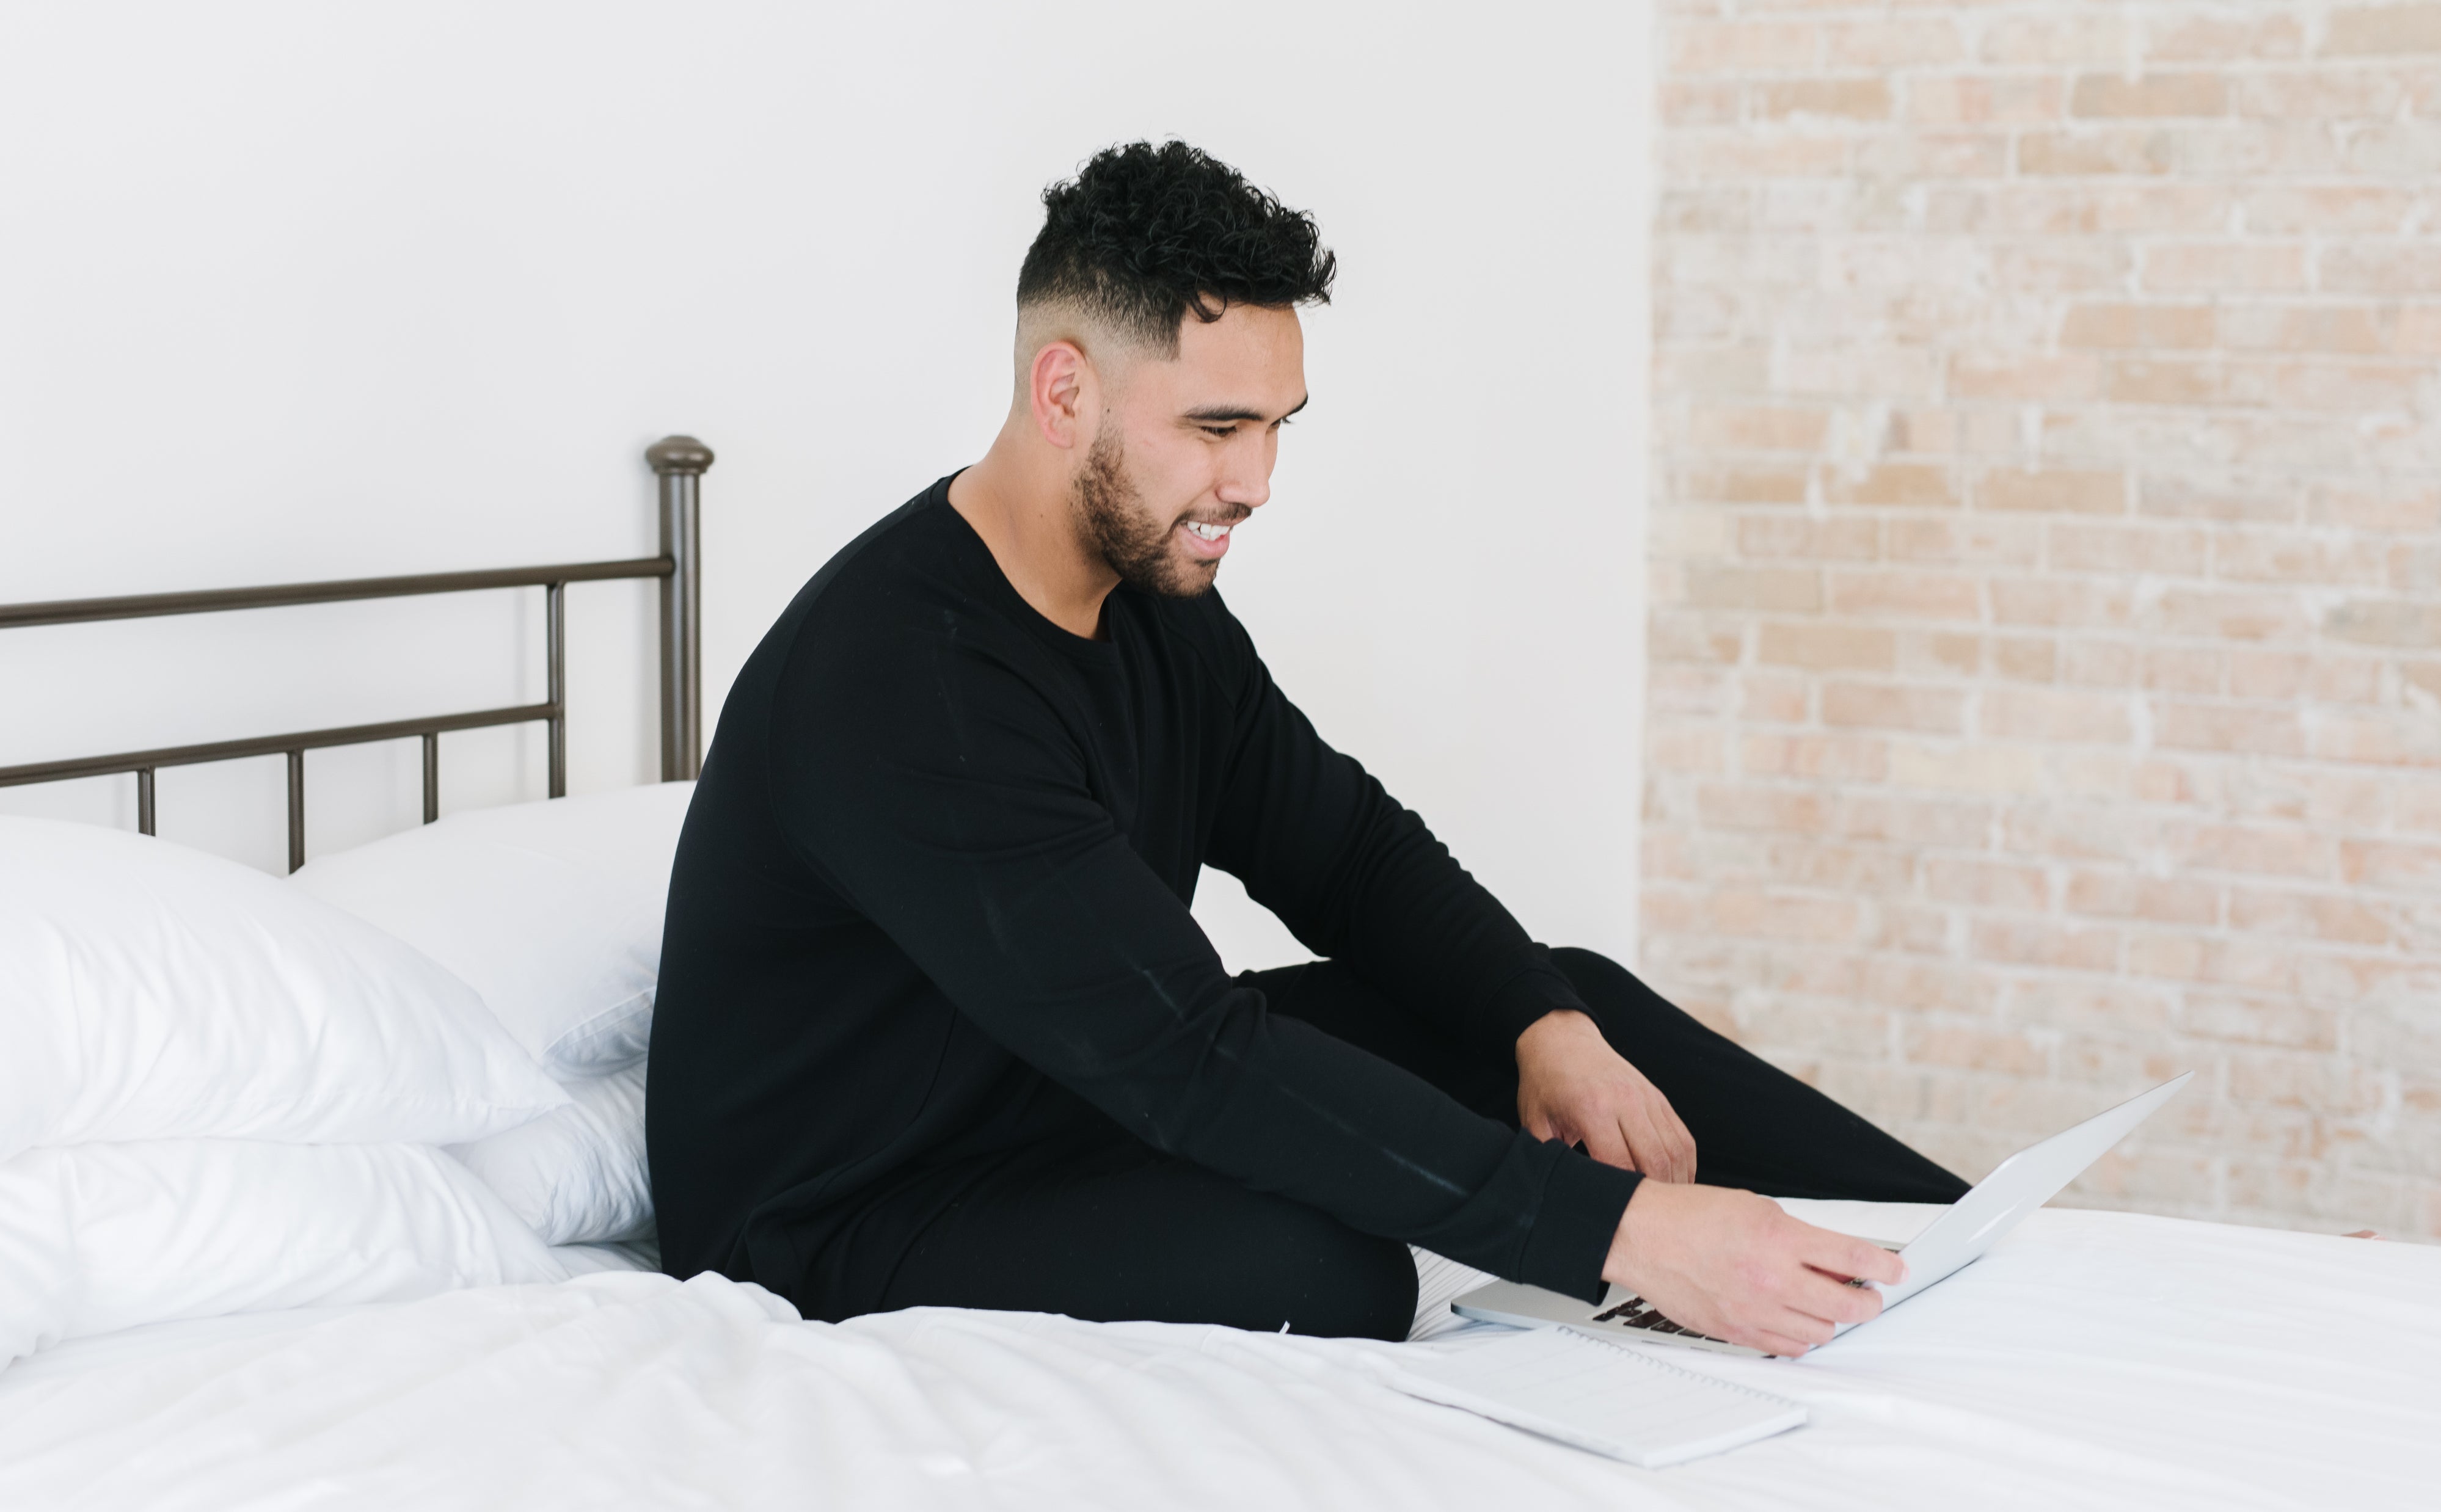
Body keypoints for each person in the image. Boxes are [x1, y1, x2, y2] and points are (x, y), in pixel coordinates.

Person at [649, 140, 1964, 1356]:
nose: (1260, 479)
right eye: (1219, 428)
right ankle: (1756, 1254)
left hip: (1060, 1087)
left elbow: (1344, 851)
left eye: (1279, 425)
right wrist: (1624, 1233)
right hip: (845, 1209)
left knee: (1557, 1003)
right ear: (1065, 391)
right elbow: (1189, 1050)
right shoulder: (903, 684)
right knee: (1323, 1263)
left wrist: (1538, 1019)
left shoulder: (1147, 595)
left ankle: (1966, 1245)